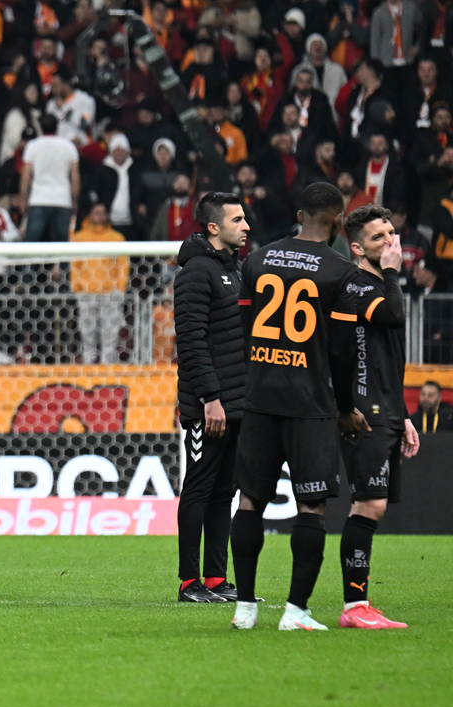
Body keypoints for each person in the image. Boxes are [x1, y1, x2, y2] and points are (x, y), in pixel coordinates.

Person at [230, 183, 371, 632]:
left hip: (261, 398)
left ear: (299, 213)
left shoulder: (257, 259)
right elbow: (345, 352)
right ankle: (295, 611)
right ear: (338, 222)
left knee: (249, 501)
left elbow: (246, 326)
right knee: (311, 508)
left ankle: (245, 607)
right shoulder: (340, 270)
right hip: (310, 403)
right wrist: (347, 407)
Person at [337, 204, 416, 629]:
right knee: (368, 504)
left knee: (374, 506)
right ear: (357, 248)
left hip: (386, 410)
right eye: (378, 238)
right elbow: (395, 315)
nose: (390, 243)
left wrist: (403, 413)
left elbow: (390, 359)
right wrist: (393, 272)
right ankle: (354, 607)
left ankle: (359, 604)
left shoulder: (377, 284)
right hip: (364, 413)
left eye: (391, 234)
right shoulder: (356, 286)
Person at [172, 193, 249, 603]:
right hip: (210, 405)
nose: (246, 225)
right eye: (238, 219)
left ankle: (217, 579)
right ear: (214, 227)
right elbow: (192, 342)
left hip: (238, 402)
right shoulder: (195, 274)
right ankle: (189, 582)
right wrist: (210, 398)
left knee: (225, 492)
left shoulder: (237, 270)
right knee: (199, 488)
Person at [69, 203, 128, 364]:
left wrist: (120, 287)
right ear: (90, 214)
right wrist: (77, 286)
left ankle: (107, 364)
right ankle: (88, 362)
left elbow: (122, 264)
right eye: (96, 213)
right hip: (86, 291)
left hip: (110, 292)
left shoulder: (117, 238)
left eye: (103, 213)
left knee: (110, 331)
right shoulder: (80, 238)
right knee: (87, 330)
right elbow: (75, 264)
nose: (100, 216)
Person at [18, 114, 79, 243]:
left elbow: (26, 176)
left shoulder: (32, 146)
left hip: (38, 199)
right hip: (62, 200)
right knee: (62, 246)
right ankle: (62, 265)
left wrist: (23, 199)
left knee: (31, 246)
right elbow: (75, 178)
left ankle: (29, 264)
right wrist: (74, 200)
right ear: (57, 127)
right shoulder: (69, 147)